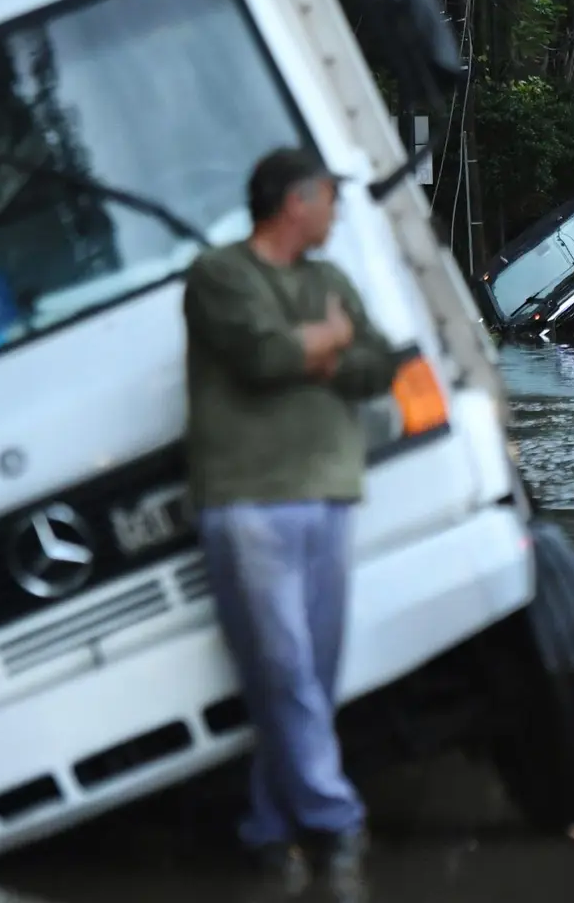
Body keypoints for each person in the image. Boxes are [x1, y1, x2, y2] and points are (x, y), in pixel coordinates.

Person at [182, 147, 403, 891]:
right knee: (282, 666)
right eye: (330, 200)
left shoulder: (329, 279)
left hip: (330, 491)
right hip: (249, 499)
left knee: (309, 673)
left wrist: (324, 352)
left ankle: (269, 828)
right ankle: (335, 819)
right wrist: (326, 342)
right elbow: (261, 357)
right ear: (294, 201)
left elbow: (380, 364)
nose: (337, 215)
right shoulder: (220, 275)